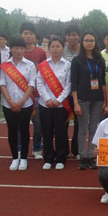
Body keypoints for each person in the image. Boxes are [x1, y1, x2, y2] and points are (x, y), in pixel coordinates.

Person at [0, 36, 36, 171]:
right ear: (11, 49)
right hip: (8, 104)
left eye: (21, 48)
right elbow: (2, 83)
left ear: (24, 50)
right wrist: (9, 101)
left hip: (25, 104)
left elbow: (32, 84)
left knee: (24, 130)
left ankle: (24, 158)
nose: (19, 51)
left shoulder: (30, 65)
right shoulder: (5, 65)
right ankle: (15, 157)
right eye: (16, 48)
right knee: (12, 131)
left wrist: (21, 101)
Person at [71, 31, 107, 170]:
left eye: (92, 40)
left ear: (95, 42)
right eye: (86, 40)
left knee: (94, 128)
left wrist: (105, 100)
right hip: (82, 99)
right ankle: (82, 156)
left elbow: (102, 81)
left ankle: (91, 155)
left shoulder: (100, 60)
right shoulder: (77, 60)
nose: (89, 43)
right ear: (82, 43)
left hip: (97, 99)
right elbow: (73, 82)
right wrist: (75, 102)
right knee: (82, 129)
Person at [36, 36, 71, 170]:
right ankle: (48, 158)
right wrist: (47, 99)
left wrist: (58, 100)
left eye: (58, 46)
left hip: (61, 105)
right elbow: (40, 83)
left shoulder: (67, 65)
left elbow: (68, 85)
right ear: (49, 49)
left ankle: (61, 158)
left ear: (62, 48)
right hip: (45, 104)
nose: (55, 49)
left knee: (61, 132)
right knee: (47, 132)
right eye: (53, 47)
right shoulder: (44, 65)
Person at [20, 21, 47, 160]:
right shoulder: (17, 51)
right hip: (20, 94)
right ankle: (20, 149)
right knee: (21, 125)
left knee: (38, 124)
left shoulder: (41, 53)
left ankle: (37, 148)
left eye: (30, 34)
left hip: (36, 94)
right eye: (25, 33)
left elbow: (45, 72)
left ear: (35, 36)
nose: (28, 36)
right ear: (21, 35)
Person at [63, 24, 81, 161]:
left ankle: (76, 150)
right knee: (62, 123)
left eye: (74, 34)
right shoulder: (60, 50)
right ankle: (63, 150)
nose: (71, 37)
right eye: (69, 35)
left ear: (78, 36)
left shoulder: (83, 51)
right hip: (62, 93)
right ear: (66, 37)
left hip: (78, 93)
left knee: (78, 124)